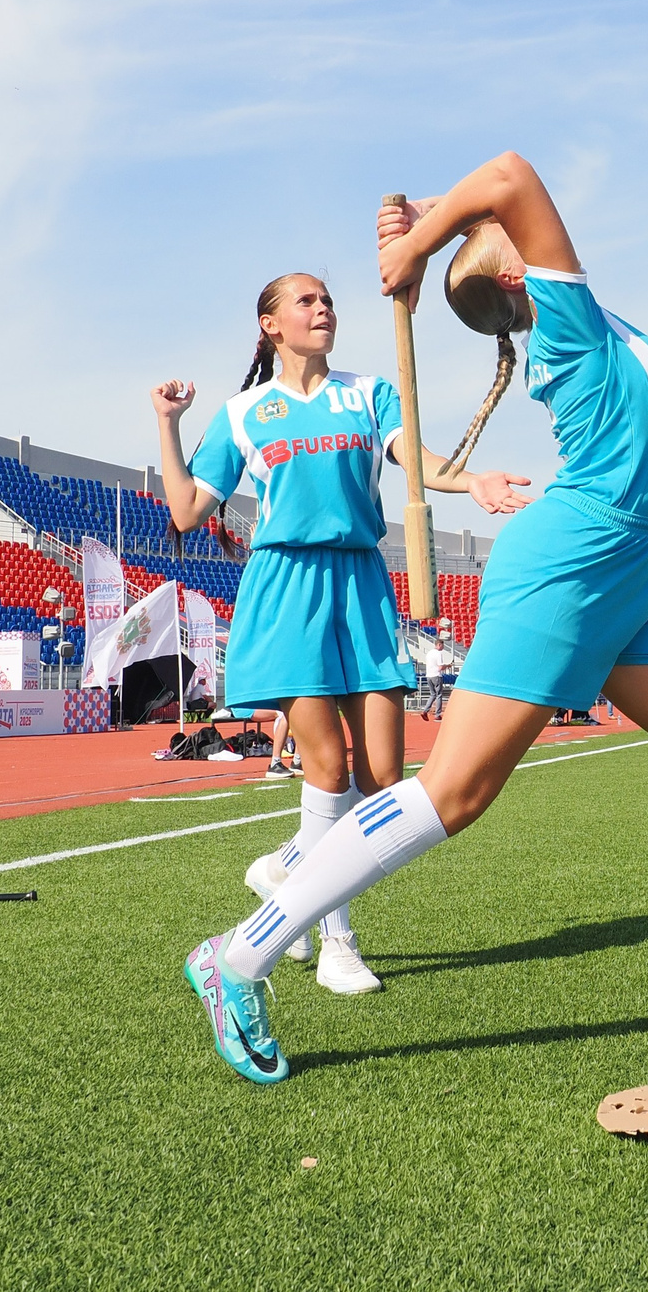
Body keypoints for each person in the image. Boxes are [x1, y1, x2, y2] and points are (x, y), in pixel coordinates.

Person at [183, 151, 648, 1087]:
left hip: (628, 563)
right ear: (523, 273)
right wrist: (422, 251)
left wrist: (425, 229)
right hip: (571, 556)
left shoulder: (568, 307)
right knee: (453, 793)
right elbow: (509, 175)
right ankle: (237, 957)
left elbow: (490, 209)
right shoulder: (568, 316)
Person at [155, 271, 530, 1000]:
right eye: (306, 300)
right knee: (325, 764)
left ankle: (288, 865)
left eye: (327, 299)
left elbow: (413, 459)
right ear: (270, 324)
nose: (322, 308)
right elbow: (186, 507)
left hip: (361, 584)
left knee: (385, 778)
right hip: (286, 590)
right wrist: (167, 424)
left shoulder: (368, 392)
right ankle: (337, 941)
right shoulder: (243, 413)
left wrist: (472, 480)